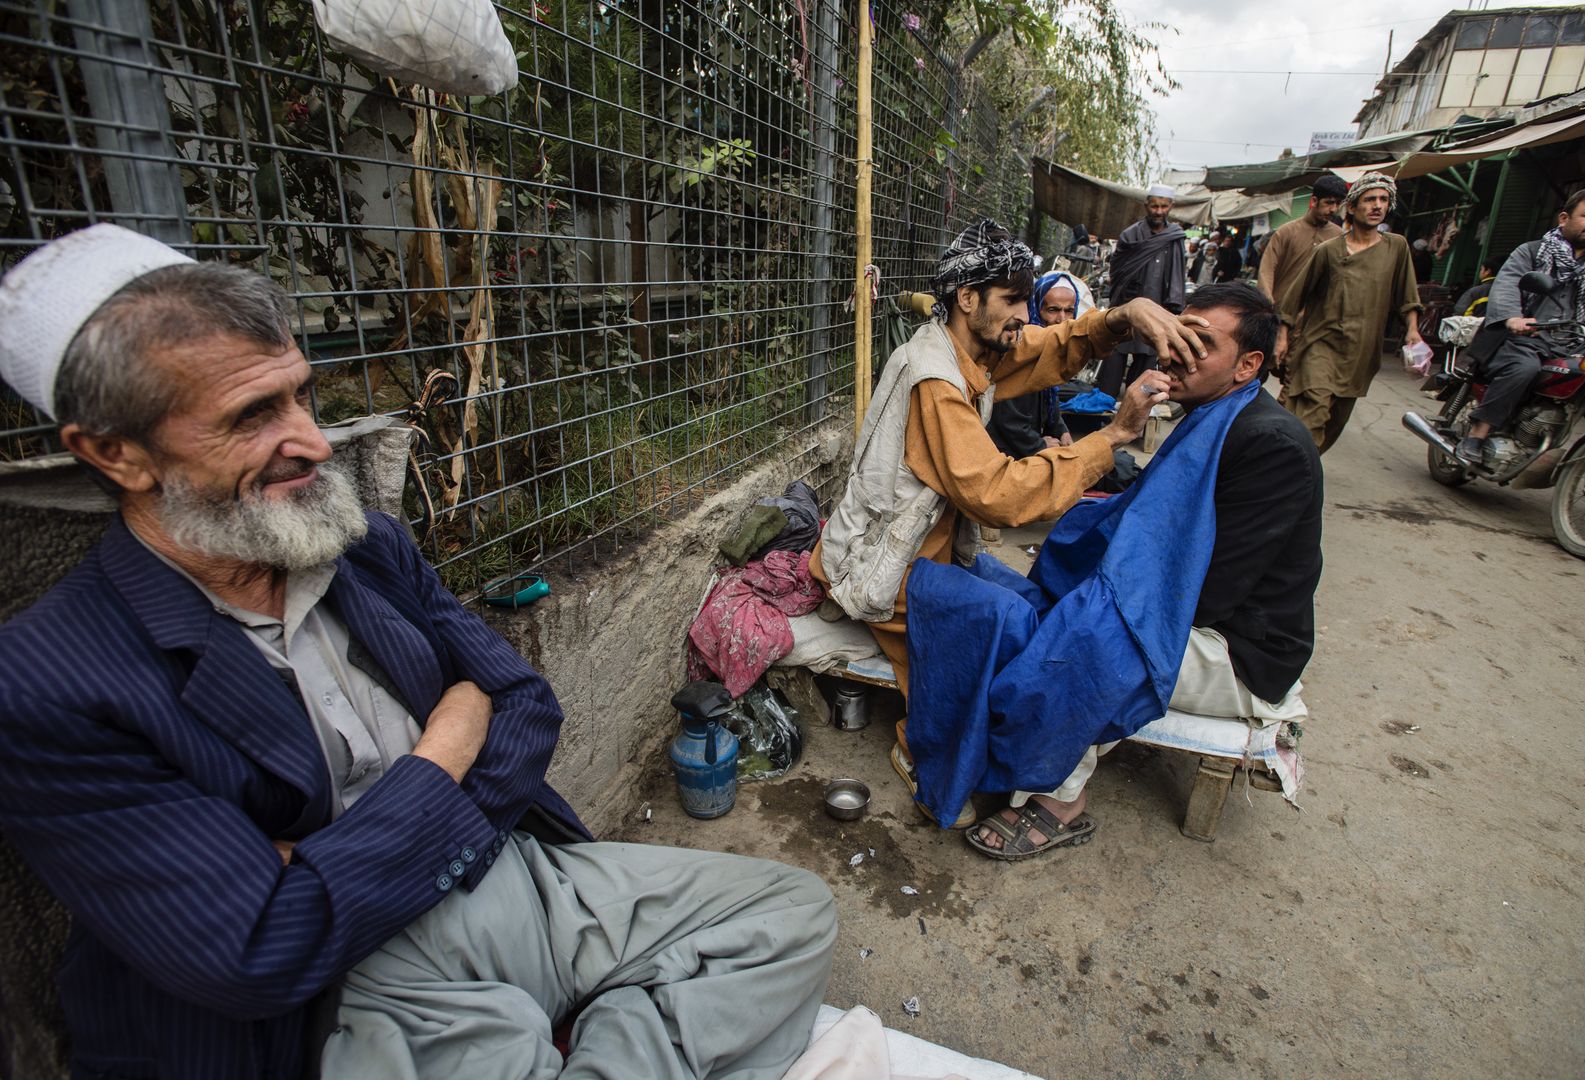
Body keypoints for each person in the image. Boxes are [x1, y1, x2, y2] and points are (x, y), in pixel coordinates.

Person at [0, 225, 836, 1080]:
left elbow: (521, 705)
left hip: (497, 878)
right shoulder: (50, 682)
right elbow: (259, 947)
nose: (316, 443)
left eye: (301, 396)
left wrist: (324, 860)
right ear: (114, 453)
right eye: (254, 416)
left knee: (791, 913)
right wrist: (440, 754)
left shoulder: (362, 548)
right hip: (342, 983)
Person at [810, 219, 1207, 827]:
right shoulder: (937, 382)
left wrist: (1124, 316)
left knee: (1033, 602)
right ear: (967, 299)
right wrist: (1114, 436)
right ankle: (922, 749)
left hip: (932, 553)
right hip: (883, 568)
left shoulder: (975, 349)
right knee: (993, 625)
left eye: (1028, 299)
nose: (1026, 314)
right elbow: (997, 494)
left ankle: (998, 741)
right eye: (1014, 300)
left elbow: (1053, 348)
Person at [967, 283, 1321, 859]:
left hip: (1236, 649)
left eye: (1199, 342)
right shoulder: (1213, 416)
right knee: (1044, 592)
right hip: (1192, 612)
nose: (1174, 348)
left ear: (1247, 366)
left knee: (1083, 641)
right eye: (1174, 332)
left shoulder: (1272, 444)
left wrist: (1105, 597)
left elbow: (1208, 595)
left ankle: (1058, 799)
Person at [1457, 187, 1585, 465]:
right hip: (1525, 338)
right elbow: (1506, 286)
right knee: (1524, 368)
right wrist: (1513, 318)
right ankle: (1478, 433)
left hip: (1579, 343)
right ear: (1564, 218)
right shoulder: (1532, 251)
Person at [1275, 171, 1423, 453]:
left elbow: (1408, 294)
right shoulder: (1329, 251)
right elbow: (1295, 297)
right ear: (1352, 207)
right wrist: (1282, 338)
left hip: (1360, 352)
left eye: (1383, 199)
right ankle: (1293, 476)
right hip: (1320, 345)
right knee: (1310, 417)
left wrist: (1412, 331)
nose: (1377, 205)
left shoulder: (1397, 247)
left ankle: (1298, 468)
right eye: (1369, 200)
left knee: (1333, 424)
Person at [985, 270, 1091, 458]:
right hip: (1004, 450)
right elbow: (1007, 419)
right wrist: (1039, 444)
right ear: (1036, 307)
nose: (1062, 319)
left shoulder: (1052, 351)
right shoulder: (1017, 347)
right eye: (1053, 310)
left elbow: (1051, 398)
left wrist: (1062, 430)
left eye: (1069, 310)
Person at [1099, 184, 1187, 396]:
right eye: (1154, 206)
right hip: (1127, 306)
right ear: (1147, 205)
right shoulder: (1131, 235)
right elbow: (1118, 269)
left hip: (1158, 307)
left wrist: (1172, 310)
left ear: (1170, 207)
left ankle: (1139, 407)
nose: (1158, 211)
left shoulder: (1175, 237)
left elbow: (1177, 274)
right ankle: (1102, 406)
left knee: (1148, 362)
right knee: (1115, 355)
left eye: (1163, 206)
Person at [1258, 174, 1346, 302]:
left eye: (1338, 204)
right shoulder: (1286, 232)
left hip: (1314, 316)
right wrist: (1267, 301)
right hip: (1279, 310)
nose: (1333, 209)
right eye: (1329, 202)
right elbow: (1267, 269)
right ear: (1314, 201)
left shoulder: (1338, 236)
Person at [1452, 252, 1505, 318]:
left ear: (1487, 271)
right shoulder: (1510, 291)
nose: (1480, 272)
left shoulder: (1475, 292)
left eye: (1481, 269)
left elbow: (1459, 316)